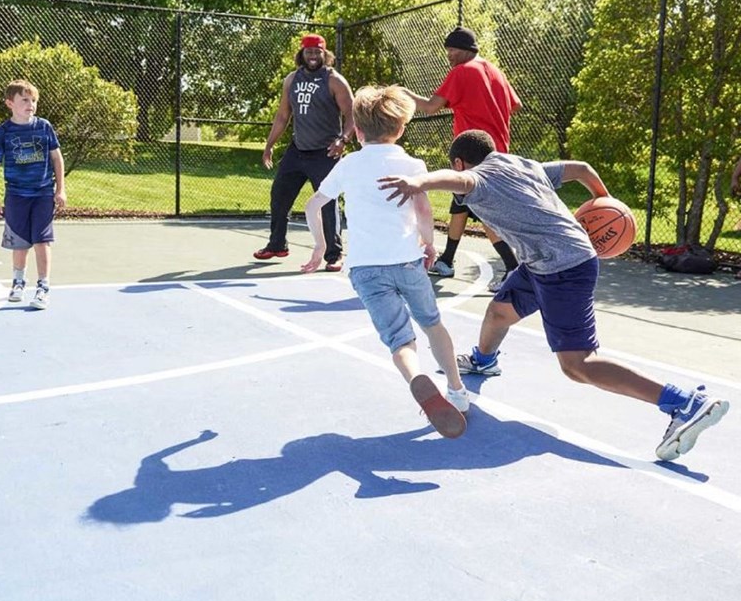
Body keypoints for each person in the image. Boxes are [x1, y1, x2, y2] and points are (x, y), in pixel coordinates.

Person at [378, 129, 730, 460]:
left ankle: (683, 403)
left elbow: (461, 181)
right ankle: (484, 361)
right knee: (500, 311)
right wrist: (603, 200)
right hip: (543, 262)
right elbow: (581, 168)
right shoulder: (524, 165)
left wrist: (417, 183)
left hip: (563, 268)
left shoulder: (479, 179)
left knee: (578, 366)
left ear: (459, 161)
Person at [300, 85, 469, 437]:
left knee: (399, 340)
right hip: (408, 262)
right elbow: (422, 208)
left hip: (365, 269)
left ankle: (416, 377)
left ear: (357, 131)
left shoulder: (349, 163)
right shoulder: (412, 164)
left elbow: (314, 205)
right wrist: (429, 243)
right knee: (433, 323)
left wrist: (320, 246)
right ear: (402, 127)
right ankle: (457, 391)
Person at [403, 27, 521, 291]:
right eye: (448, 52)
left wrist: (405, 94)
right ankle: (446, 260)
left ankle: (513, 268)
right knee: (461, 204)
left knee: (483, 209)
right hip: (497, 149)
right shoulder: (495, 71)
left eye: (453, 51)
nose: (450, 57)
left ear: (467, 50)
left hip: (473, 153)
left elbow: (430, 106)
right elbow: (516, 105)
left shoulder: (462, 71)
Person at [255, 33, 355, 272]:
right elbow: (282, 116)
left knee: (327, 203)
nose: (312, 55)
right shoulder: (292, 79)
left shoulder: (334, 80)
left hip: (326, 152)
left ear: (324, 54)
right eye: (308, 51)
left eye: (317, 51)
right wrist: (269, 145)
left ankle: (334, 254)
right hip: (297, 150)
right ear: (302, 54)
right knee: (279, 195)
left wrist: (343, 140)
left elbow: (352, 115)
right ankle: (277, 244)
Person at [0, 80, 66, 310]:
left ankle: (43, 287)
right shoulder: (4, 132)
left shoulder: (44, 127)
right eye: (25, 100)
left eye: (33, 100)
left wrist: (60, 188)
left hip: (42, 194)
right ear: (10, 103)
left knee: (42, 240)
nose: (30, 104)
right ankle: (18, 282)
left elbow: (56, 158)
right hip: (16, 195)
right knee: (20, 243)